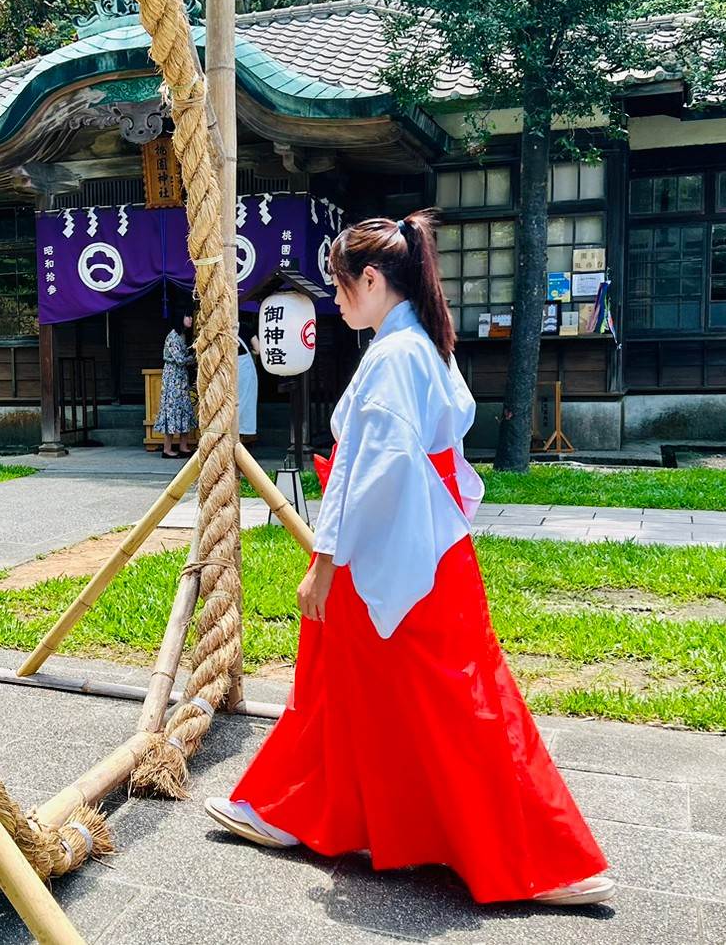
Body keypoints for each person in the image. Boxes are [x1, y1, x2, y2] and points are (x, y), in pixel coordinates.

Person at [204, 213, 613, 907]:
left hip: (393, 554)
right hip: (427, 548)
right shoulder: (424, 344)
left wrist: (326, 560)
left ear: (371, 280)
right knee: (381, 690)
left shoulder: (396, 356)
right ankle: (293, 809)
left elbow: (375, 472)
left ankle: (540, 854)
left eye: (339, 287)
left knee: (440, 700)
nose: (335, 302)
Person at [154, 310, 196, 458]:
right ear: (180, 318)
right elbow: (179, 360)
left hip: (181, 378)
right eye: (187, 316)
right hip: (172, 378)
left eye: (191, 316)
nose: (190, 319)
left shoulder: (184, 335)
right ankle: (167, 449)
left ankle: (183, 446)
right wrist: (196, 357)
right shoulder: (172, 336)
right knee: (171, 410)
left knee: (184, 409)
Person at [237, 326, 260, 439]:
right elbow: (258, 349)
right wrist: (251, 350)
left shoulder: (221, 327)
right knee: (245, 400)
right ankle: (241, 433)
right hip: (244, 366)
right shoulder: (246, 328)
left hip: (226, 368)